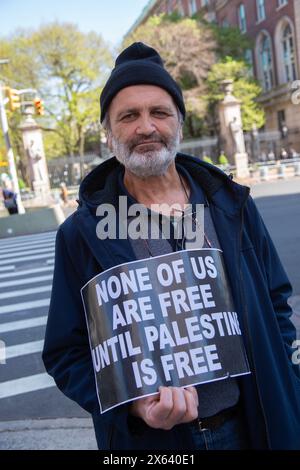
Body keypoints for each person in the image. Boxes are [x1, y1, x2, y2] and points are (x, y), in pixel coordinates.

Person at [43, 42, 300, 450]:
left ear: (179, 122)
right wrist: (132, 406)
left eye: (159, 112)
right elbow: (65, 354)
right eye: (129, 116)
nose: (146, 127)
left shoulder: (231, 206)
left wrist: (284, 378)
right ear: (109, 134)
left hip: (255, 426)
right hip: (154, 445)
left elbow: (277, 302)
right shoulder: (79, 234)